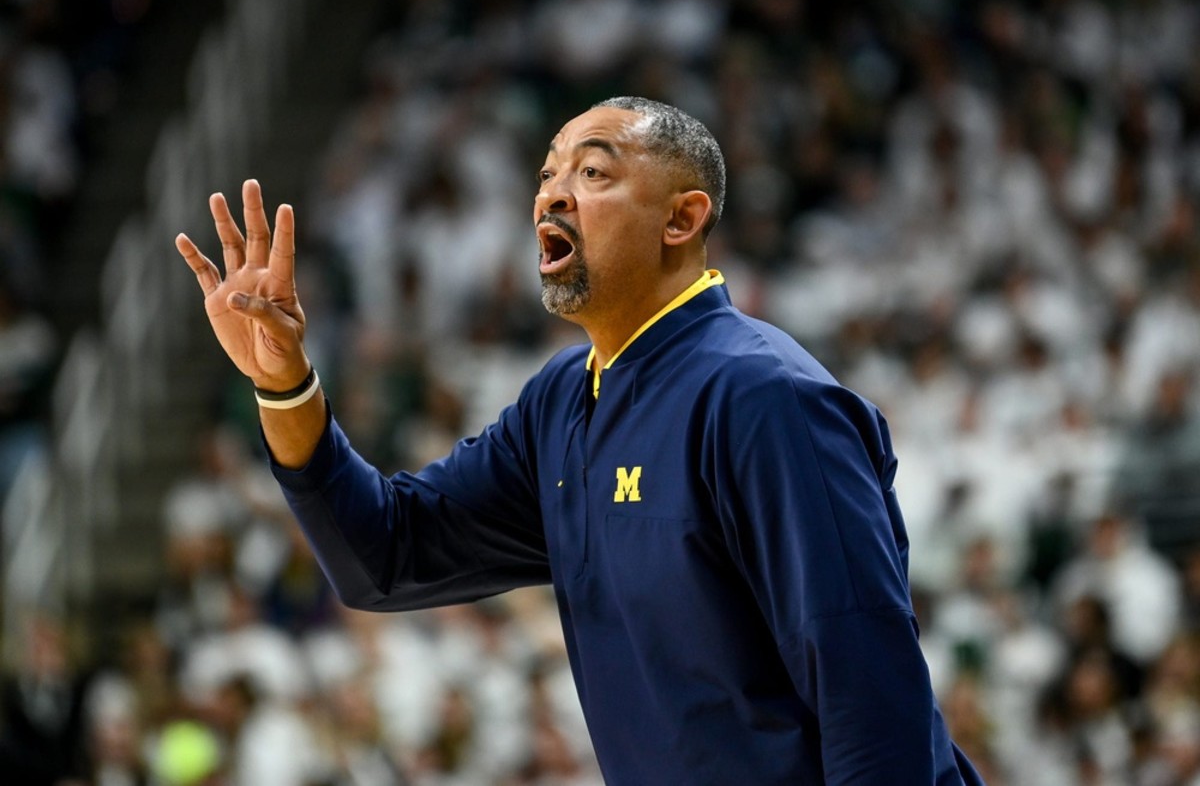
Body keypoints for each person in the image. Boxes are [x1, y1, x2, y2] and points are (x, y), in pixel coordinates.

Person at [176, 97, 984, 784]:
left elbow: (867, 685)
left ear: (682, 217)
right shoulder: (561, 401)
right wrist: (282, 380)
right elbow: (382, 556)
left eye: (592, 173)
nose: (552, 197)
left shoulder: (764, 396)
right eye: (546, 175)